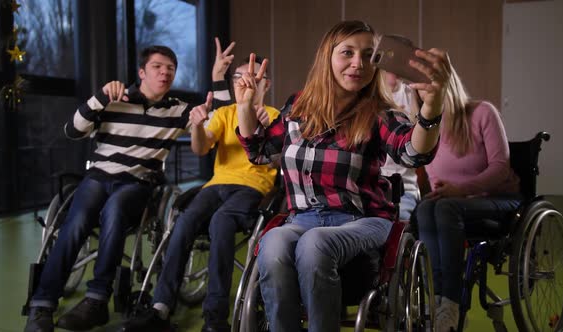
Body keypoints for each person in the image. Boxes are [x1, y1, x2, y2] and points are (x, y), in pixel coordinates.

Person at [234, 20, 451, 332]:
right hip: (302, 218)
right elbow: (260, 152)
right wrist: (245, 107)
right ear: (327, 58)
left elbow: (413, 153)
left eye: (367, 55)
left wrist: (431, 107)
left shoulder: (380, 114)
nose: (357, 63)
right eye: (347, 53)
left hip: (363, 220)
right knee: (273, 240)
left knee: (314, 244)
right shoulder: (298, 107)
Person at [23, 45, 219, 332]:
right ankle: (42, 306)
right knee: (75, 223)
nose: (165, 72)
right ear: (142, 72)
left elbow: (219, 127)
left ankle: (97, 300)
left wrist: (218, 84)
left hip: (139, 183)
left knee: (114, 211)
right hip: (98, 177)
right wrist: (99, 97)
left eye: (171, 68)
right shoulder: (113, 99)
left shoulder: (178, 110)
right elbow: (72, 131)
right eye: (157, 66)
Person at [122, 38, 280, 332]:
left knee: (221, 222)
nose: (245, 81)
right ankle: (160, 307)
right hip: (217, 184)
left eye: (252, 77)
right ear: (233, 83)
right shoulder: (223, 113)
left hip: (253, 187)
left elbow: (274, 162)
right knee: (183, 222)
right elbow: (200, 148)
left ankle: (215, 317)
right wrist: (196, 124)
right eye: (239, 76)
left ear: (265, 84)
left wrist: (259, 129)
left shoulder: (273, 116)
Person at [414, 65, 521, 332]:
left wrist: (459, 190)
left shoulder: (483, 112)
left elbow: (500, 168)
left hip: (500, 199)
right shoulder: (428, 128)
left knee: (446, 207)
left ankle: (451, 303)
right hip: (455, 205)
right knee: (426, 208)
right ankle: (435, 300)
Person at [381, 67, 423, 220]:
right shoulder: (366, 95)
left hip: (404, 189)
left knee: (397, 223)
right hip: (369, 187)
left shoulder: (412, 93)